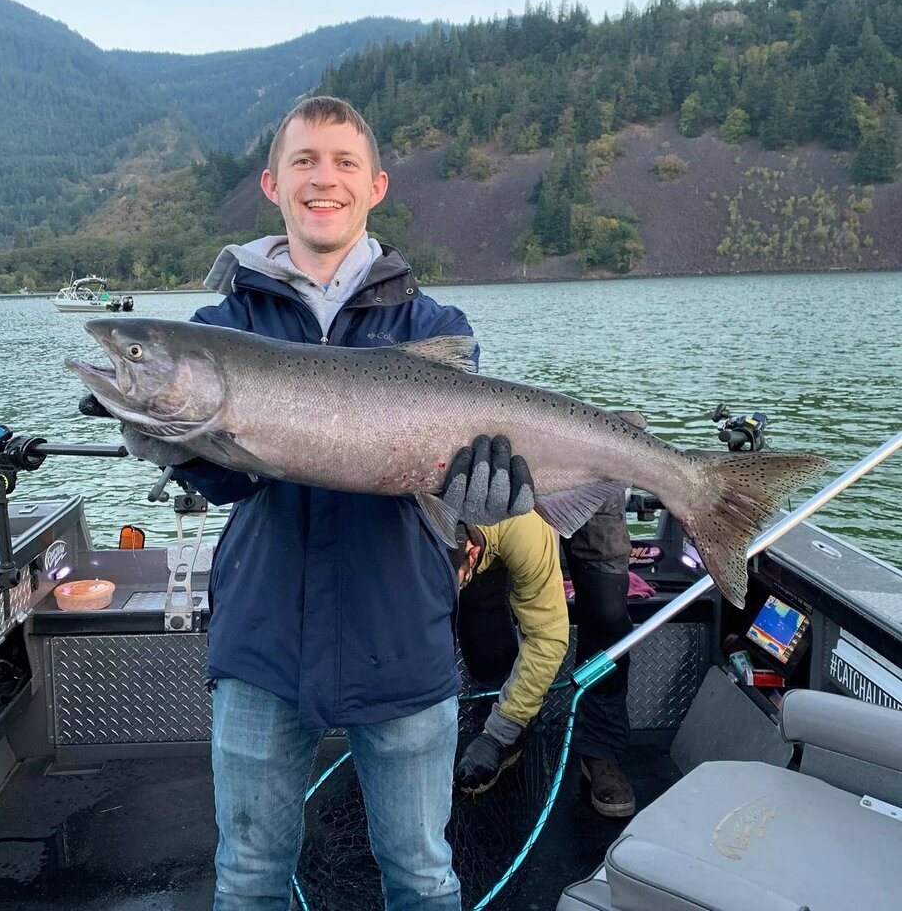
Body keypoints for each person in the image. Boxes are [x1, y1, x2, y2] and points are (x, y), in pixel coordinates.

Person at [107, 97, 534, 910]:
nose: (322, 178)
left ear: (375, 185)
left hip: (401, 638)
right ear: (274, 184)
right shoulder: (222, 324)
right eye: (304, 161)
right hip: (262, 640)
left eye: (342, 162)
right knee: (249, 878)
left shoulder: (435, 323)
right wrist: (183, 447)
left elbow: (460, 490)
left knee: (421, 875)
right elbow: (234, 480)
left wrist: (480, 495)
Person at [450, 513, 569, 794]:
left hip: (528, 512)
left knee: (605, 609)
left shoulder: (524, 526)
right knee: (478, 625)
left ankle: (507, 734)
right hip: (465, 533)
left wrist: (499, 733)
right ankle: (488, 713)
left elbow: (547, 634)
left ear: (472, 553)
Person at [561, 425, 644, 819]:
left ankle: (600, 750)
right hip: (491, 461)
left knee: (609, 621)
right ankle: (502, 736)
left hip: (592, 463)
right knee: (483, 606)